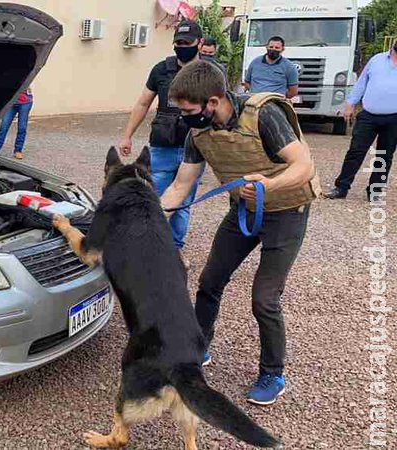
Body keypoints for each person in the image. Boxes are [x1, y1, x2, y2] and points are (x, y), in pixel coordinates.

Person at [161, 61, 320, 406]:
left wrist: (271, 184)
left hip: (287, 213)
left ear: (214, 102)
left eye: (189, 111)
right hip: (243, 212)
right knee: (209, 281)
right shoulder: (197, 134)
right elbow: (179, 187)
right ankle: (197, 349)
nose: (185, 117)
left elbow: (304, 164)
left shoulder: (263, 115)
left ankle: (273, 374)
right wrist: (150, 219)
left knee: (264, 298)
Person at [118, 20, 220, 261]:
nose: (182, 47)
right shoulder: (161, 70)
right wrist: (127, 135)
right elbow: (143, 102)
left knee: (183, 201)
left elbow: (220, 109)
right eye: (178, 43)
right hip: (162, 146)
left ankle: (173, 248)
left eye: (188, 43)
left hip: (194, 148)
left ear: (200, 43)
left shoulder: (211, 72)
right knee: (155, 196)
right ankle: (150, 244)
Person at [325, 41, 397, 201]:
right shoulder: (377, 59)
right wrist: (350, 104)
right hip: (369, 115)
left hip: (394, 118)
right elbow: (361, 83)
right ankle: (341, 187)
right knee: (355, 152)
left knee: (385, 155)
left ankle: (375, 191)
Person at [0, 87, 33, 160]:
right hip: (11, 102)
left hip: (25, 102)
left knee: (22, 127)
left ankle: (18, 150)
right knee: (4, 126)